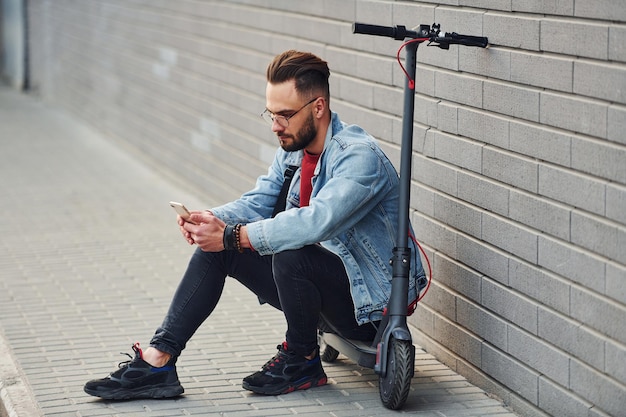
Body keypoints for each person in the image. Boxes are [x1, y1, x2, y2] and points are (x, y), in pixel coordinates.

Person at [84, 50, 425, 400]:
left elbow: (314, 223)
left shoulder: (359, 157)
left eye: (285, 115)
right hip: (317, 291)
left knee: (288, 254)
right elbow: (259, 201)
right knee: (218, 251)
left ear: (318, 107)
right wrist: (212, 219)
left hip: (367, 308)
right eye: (271, 114)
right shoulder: (295, 148)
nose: (276, 125)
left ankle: (301, 359)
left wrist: (234, 236)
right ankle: (158, 362)